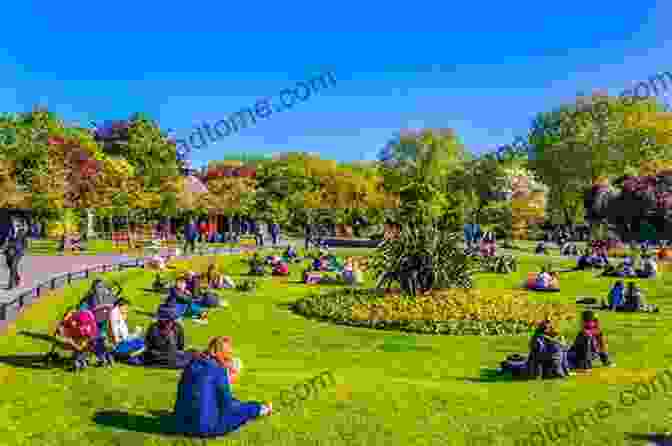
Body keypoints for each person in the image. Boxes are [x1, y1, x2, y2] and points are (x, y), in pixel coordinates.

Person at [173, 336, 271, 437]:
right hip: (204, 428)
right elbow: (228, 405)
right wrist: (252, 407)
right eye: (228, 355)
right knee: (241, 412)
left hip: (180, 424)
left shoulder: (191, 365)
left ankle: (259, 408)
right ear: (221, 355)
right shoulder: (219, 370)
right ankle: (262, 409)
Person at [142, 304, 196, 368]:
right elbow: (180, 347)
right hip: (173, 360)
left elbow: (147, 345)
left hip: (153, 359)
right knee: (192, 352)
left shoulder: (153, 327)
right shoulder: (178, 327)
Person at [1, 222, 28, 290]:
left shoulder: (22, 232)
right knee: (11, 267)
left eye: (17, 225)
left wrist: (23, 251)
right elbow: (4, 240)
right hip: (9, 251)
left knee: (13, 266)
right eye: (14, 225)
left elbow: (25, 243)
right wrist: (4, 248)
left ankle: (10, 285)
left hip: (18, 252)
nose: (16, 227)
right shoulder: (8, 231)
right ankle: (17, 278)